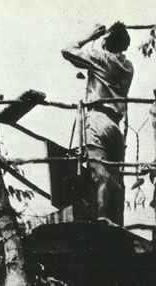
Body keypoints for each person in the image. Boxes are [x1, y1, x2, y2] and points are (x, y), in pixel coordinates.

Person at [62, 22, 134, 225]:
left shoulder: (99, 57)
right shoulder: (128, 67)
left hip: (98, 119)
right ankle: (116, 220)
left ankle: (102, 217)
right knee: (116, 178)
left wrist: (91, 35)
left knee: (99, 174)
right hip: (115, 126)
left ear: (106, 42)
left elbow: (67, 50)